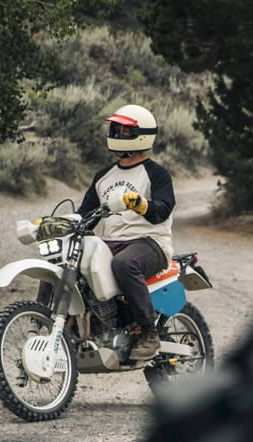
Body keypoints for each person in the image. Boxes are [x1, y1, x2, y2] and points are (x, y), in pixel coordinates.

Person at [77, 104, 175, 361]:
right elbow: (84, 216)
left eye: (124, 130)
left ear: (141, 135)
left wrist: (141, 204)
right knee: (72, 261)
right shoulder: (104, 176)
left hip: (150, 243)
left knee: (124, 263)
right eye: (115, 128)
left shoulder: (157, 174)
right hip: (111, 242)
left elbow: (162, 210)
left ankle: (149, 332)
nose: (117, 134)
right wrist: (58, 224)